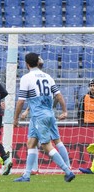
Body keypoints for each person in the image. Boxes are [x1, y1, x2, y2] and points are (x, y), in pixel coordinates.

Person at [13, 52, 75, 182]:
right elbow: (58, 95)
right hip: (49, 114)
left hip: (39, 116)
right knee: (31, 142)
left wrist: (16, 118)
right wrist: (64, 111)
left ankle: (67, 171)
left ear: (27, 64)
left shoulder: (26, 77)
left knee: (47, 145)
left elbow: (21, 101)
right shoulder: (48, 76)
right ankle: (27, 175)